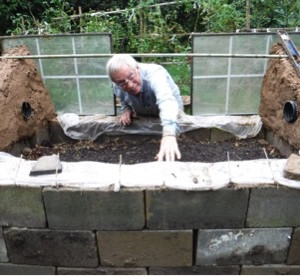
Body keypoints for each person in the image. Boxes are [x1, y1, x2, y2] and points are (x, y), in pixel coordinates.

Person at [106, 54, 184, 162]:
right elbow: (124, 100)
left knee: (179, 144)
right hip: (145, 117)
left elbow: (166, 100)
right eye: (122, 82)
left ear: (137, 68)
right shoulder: (117, 87)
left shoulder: (155, 73)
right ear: (115, 82)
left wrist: (169, 134)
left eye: (131, 76)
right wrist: (126, 110)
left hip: (171, 116)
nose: (129, 84)